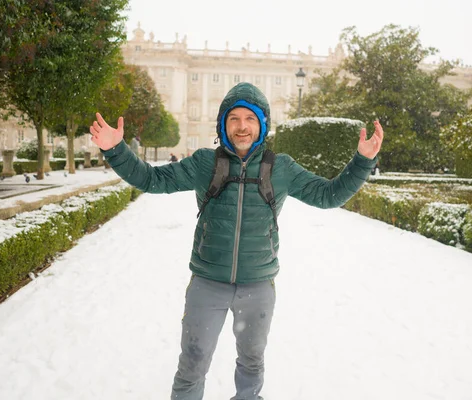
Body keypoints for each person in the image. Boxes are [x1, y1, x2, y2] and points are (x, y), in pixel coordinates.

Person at [89, 82, 384, 400]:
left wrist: (363, 161)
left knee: (252, 364)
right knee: (192, 364)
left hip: (258, 287)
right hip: (207, 284)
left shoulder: (280, 168)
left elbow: (328, 196)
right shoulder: (205, 163)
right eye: (234, 119)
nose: (242, 126)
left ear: (262, 125)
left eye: (250, 118)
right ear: (223, 125)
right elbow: (152, 179)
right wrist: (115, 150)